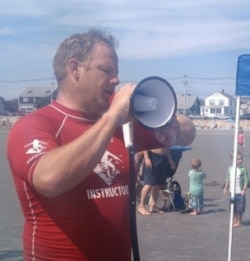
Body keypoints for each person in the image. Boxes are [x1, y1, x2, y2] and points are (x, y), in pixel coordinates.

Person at [7, 29, 196, 261]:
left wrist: (171, 126)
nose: (116, 80)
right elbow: (49, 179)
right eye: (106, 70)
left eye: (116, 73)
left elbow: (189, 132)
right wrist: (111, 117)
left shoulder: (119, 123)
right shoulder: (33, 125)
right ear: (74, 69)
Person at [137, 147, 176, 215]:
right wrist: (146, 157)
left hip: (163, 158)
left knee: (158, 184)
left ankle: (153, 206)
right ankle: (141, 206)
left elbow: (166, 147)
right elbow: (146, 144)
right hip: (153, 157)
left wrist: (170, 160)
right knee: (149, 184)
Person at [223, 152, 248, 227]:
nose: (240, 160)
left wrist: (244, 189)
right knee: (233, 208)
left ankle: (239, 221)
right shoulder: (230, 169)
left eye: (241, 159)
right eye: (238, 159)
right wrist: (226, 188)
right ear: (232, 160)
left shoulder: (243, 170)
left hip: (240, 193)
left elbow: (246, 180)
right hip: (232, 192)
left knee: (239, 209)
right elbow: (228, 179)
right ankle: (235, 219)